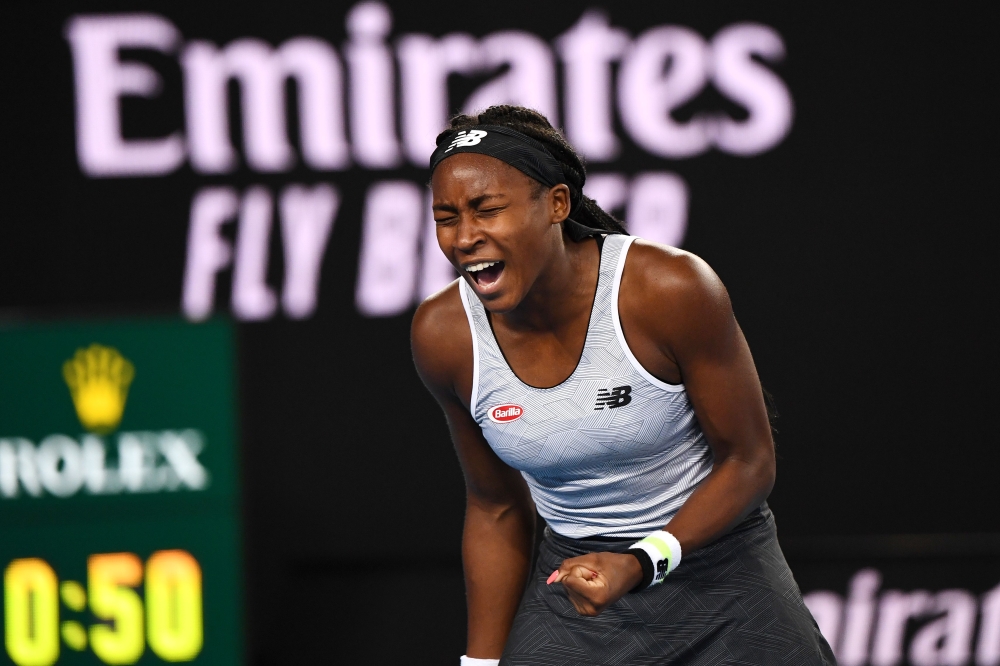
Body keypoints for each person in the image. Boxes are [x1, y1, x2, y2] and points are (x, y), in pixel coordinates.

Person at [411, 105, 834, 666]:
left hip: (723, 570)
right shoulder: (443, 334)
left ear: (557, 204)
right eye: (446, 218)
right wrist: (480, 665)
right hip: (575, 583)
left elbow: (749, 461)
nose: (464, 237)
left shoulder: (670, 289)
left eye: (487, 210)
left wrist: (640, 561)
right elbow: (496, 508)